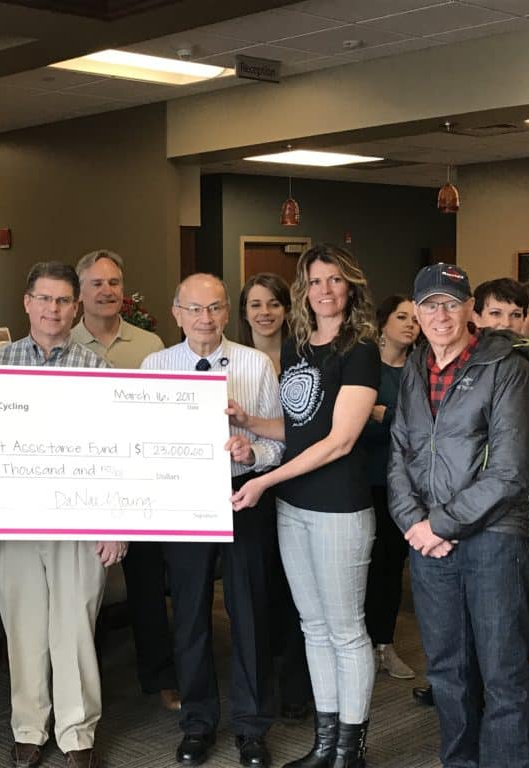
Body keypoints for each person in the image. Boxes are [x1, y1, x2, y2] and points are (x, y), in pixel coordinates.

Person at [232, 244, 380, 768]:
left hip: (338, 510)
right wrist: (249, 421)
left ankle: (350, 751)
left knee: (346, 631)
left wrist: (266, 480)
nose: (325, 290)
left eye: (335, 280)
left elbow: (339, 441)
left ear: (350, 287)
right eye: (315, 281)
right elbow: (299, 429)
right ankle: (325, 745)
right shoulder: (298, 348)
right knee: (313, 628)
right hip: (293, 506)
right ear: (304, 290)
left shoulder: (360, 350)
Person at [388, 264, 529, 768]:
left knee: (503, 673)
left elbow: (510, 473)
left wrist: (439, 525)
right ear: (416, 312)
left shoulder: (508, 367)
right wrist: (415, 524)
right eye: (429, 305)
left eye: (451, 304)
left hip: (493, 538)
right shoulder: (414, 369)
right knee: (447, 672)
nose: (440, 315)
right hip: (429, 542)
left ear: (470, 310)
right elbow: (399, 455)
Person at [143, 273, 284, 767]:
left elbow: (278, 442)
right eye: (195, 309)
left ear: (228, 312)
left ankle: (251, 727)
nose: (205, 318)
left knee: (249, 615)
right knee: (189, 618)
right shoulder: (156, 365)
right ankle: (197, 723)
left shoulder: (255, 364)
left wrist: (252, 451)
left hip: (242, 497)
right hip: (184, 504)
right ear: (176, 313)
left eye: (215, 308)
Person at [0, 261, 120, 768]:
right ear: (27, 303)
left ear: (76, 307)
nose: (53, 309)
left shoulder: (97, 369)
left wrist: (115, 525)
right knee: (23, 629)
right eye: (44, 298)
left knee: (75, 629)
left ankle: (77, 733)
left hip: (79, 521)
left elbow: (114, 452)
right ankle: (28, 727)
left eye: (63, 300)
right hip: (14, 522)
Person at [70, 249, 179, 711]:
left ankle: (160, 677)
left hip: (138, 486)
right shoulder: (64, 343)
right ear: (79, 293)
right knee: (80, 594)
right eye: (96, 283)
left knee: (148, 586)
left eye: (114, 282)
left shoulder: (150, 345)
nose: (107, 291)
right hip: (82, 486)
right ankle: (82, 687)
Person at [237, 273, 313, 720]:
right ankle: (264, 681)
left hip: (301, 480)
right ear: (244, 312)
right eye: (255, 304)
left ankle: (296, 687)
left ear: (287, 309)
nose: (265, 313)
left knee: (297, 587)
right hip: (255, 485)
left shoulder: (303, 357)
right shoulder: (234, 359)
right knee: (262, 588)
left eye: (273, 304)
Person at [473, 278, 529, 656]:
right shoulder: (469, 369)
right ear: (477, 318)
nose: (507, 324)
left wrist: (495, 493)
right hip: (472, 514)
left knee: (519, 617)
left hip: (526, 513)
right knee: (474, 612)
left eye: (517, 315)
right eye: (497, 313)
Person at [360, 295, 417, 680]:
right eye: (402, 317)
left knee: (391, 567)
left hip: (404, 486)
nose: (411, 324)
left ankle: (385, 643)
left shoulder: (418, 370)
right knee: (363, 566)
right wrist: (393, 422)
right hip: (364, 480)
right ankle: (360, 646)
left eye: (415, 318)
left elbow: (424, 427)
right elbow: (353, 424)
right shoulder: (365, 367)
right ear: (383, 323)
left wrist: (386, 415)